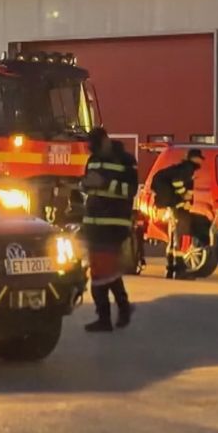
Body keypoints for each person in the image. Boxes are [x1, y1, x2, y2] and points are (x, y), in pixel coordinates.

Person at [80, 127, 138, 332]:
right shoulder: (93, 160)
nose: (92, 149)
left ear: (105, 140)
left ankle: (108, 316)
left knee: (101, 272)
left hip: (113, 225)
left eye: (95, 144)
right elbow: (87, 185)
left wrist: (105, 184)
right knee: (105, 271)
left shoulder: (125, 161)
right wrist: (85, 184)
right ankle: (120, 309)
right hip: (93, 224)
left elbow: (130, 190)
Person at [153, 149, 204, 279]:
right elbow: (177, 182)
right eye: (199, 158)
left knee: (173, 237)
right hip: (179, 208)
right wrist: (184, 194)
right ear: (193, 158)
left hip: (174, 207)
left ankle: (171, 268)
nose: (201, 161)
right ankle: (180, 270)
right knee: (181, 238)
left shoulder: (183, 168)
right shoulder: (187, 168)